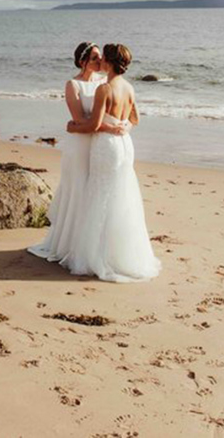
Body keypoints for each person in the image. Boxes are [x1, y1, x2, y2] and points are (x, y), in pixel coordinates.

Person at [63, 43, 161, 282]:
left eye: (102, 58)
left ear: (108, 62)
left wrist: (72, 127)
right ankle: (124, 253)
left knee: (100, 196)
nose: (100, 61)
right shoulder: (129, 87)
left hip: (106, 146)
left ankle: (98, 255)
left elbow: (93, 126)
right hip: (125, 145)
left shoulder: (104, 89)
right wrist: (122, 127)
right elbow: (134, 118)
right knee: (121, 196)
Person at [27, 42, 126, 262]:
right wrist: (111, 127)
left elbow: (114, 110)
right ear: (82, 62)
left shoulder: (105, 83)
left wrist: (119, 125)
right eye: (93, 58)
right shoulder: (73, 85)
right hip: (81, 145)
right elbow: (81, 119)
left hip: (100, 145)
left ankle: (92, 245)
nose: (99, 61)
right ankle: (70, 246)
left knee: (96, 193)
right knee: (79, 191)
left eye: (100, 57)